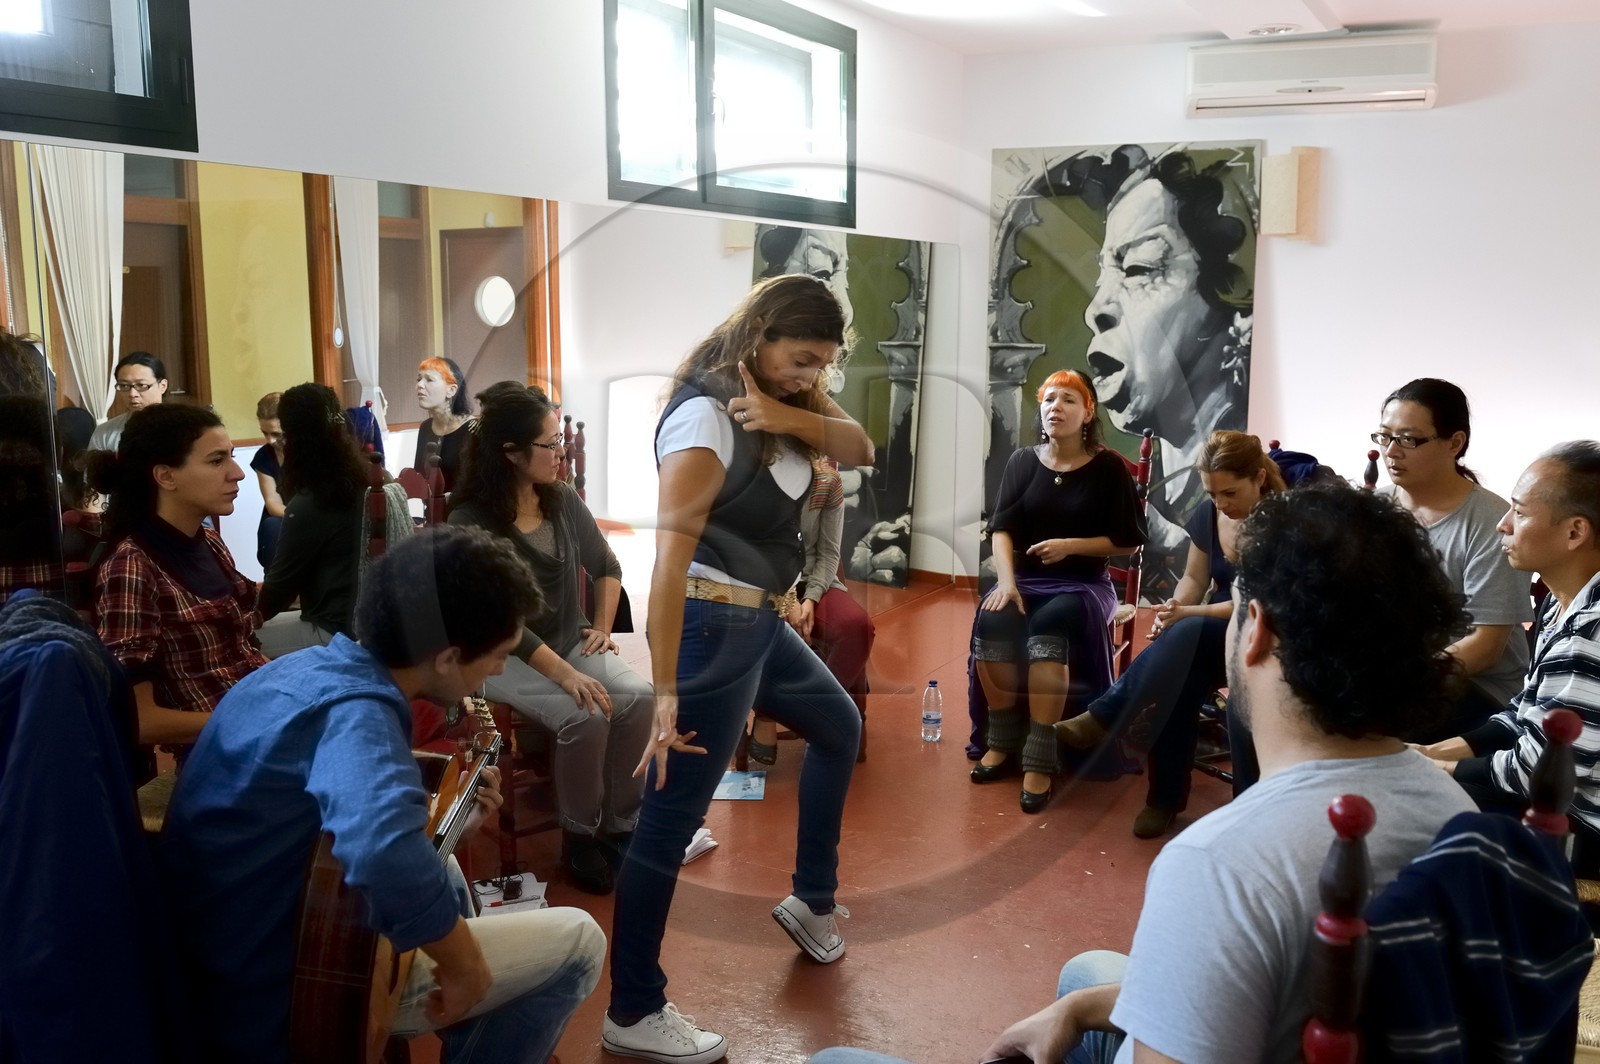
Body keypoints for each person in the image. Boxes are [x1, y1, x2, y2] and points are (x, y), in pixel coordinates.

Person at [813, 486, 1478, 1064]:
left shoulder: (1221, 867)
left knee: (832, 1059)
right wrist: (1077, 1013)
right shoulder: (1453, 807)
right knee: (1084, 977)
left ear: (1257, 633)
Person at [162, 525, 606, 1064]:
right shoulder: (358, 715)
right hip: (282, 987)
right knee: (581, 942)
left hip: (213, 948)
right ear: (446, 657)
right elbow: (379, 846)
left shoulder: (299, 671)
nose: (497, 672)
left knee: (437, 870)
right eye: (497, 656)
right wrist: (465, 968)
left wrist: (452, 830)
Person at [602, 274, 872, 1064]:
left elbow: (861, 449)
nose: (807, 373)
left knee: (837, 724)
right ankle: (632, 1008)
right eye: (798, 358)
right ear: (759, 333)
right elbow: (666, 559)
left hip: (758, 620)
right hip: (710, 626)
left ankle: (812, 901)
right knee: (672, 818)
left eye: (820, 364)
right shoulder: (701, 416)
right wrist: (662, 690)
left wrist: (791, 408)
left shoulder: (789, 401)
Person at [448, 380, 652, 895]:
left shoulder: (560, 499)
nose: (561, 453)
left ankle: (621, 825)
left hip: (566, 644)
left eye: (560, 441)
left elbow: (606, 564)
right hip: (500, 656)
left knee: (640, 699)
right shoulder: (471, 519)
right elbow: (502, 619)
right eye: (549, 444)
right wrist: (566, 675)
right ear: (511, 453)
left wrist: (601, 629)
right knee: (584, 714)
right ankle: (579, 836)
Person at [1055, 430, 1283, 837]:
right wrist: (1174, 608)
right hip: (1220, 636)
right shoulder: (1212, 514)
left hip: (1272, 639)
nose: (1221, 504)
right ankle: (1164, 799)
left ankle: (1107, 720)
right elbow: (1193, 579)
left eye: (1229, 493)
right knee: (1180, 672)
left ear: (1259, 479)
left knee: (1187, 635)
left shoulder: (1286, 520)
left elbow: (1255, 603)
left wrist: (1187, 614)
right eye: (1212, 494)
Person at [1418, 441, 1600, 873]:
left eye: (1518, 512)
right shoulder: (1562, 604)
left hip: (1585, 830)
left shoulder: (1589, 636)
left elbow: (1539, 775)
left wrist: (1439, 771)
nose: (1503, 525)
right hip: (1559, 798)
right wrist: (1435, 752)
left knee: (1418, 811)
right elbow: (1525, 708)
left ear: (1575, 532)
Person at [971, 369, 1147, 813]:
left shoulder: (1107, 468)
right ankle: (1002, 736)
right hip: (1025, 580)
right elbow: (1001, 531)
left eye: (1069, 399)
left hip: (1085, 584)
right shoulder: (1022, 462)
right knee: (994, 616)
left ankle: (1040, 753)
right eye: (1049, 399)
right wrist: (1007, 582)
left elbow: (1129, 540)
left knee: (1050, 622)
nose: (1056, 408)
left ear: (1088, 412)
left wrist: (1072, 546)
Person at [88, 403, 266, 747]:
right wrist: (252, 720)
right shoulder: (132, 565)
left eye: (230, 456)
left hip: (257, 721)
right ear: (166, 476)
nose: (237, 472)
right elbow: (140, 721)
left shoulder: (209, 542)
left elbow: (244, 653)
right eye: (217, 461)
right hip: (223, 752)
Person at [1374, 378, 1531, 741]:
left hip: (1479, 690)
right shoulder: (1374, 509)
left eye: (1409, 439)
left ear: (1454, 443)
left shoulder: (1492, 522)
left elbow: (1486, 646)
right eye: (1385, 437)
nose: (1391, 452)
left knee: (1361, 733)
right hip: (1394, 674)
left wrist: (1394, 681)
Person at [749, 456, 877, 764]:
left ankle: (812, 712)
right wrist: (786, 600)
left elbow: (829, 552)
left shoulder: (827, 482)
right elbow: (754, 553)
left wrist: (811, 599)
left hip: (815, 583)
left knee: (857, 627)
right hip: (763, 584)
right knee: (765, 628)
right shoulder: (756, 478)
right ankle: (768, 712)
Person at [255, 383, 368, 658]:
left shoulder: (311, 503)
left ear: (295, 439)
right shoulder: (370, 480)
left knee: (234, 639)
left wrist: (233, 619)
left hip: (333, 632)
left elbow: (278, 593)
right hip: (371, 624)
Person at [87, 351, 169, 453]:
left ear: (162, 386)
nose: (132, 393)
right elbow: (93, 468)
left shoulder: (184, 430)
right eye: (124, 386)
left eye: (141, 385)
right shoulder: (104, 432)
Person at [414, 355, 474, 491]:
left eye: (429, 380)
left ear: (451, 390)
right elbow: (420, 476)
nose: (419, 385)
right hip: (433, 510)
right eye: (419, 379)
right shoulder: (425, 428)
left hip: (464, 509)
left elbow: (479, 484)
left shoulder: (473, 429)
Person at [252, 390, 287, 570]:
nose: (270, 440)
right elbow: (273, 503)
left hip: (314, 514)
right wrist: (299, 516)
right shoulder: (263, 457)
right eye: (265, 433)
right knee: (272, 527)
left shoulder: (311, 451)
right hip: (283, 517)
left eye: (276, 433)